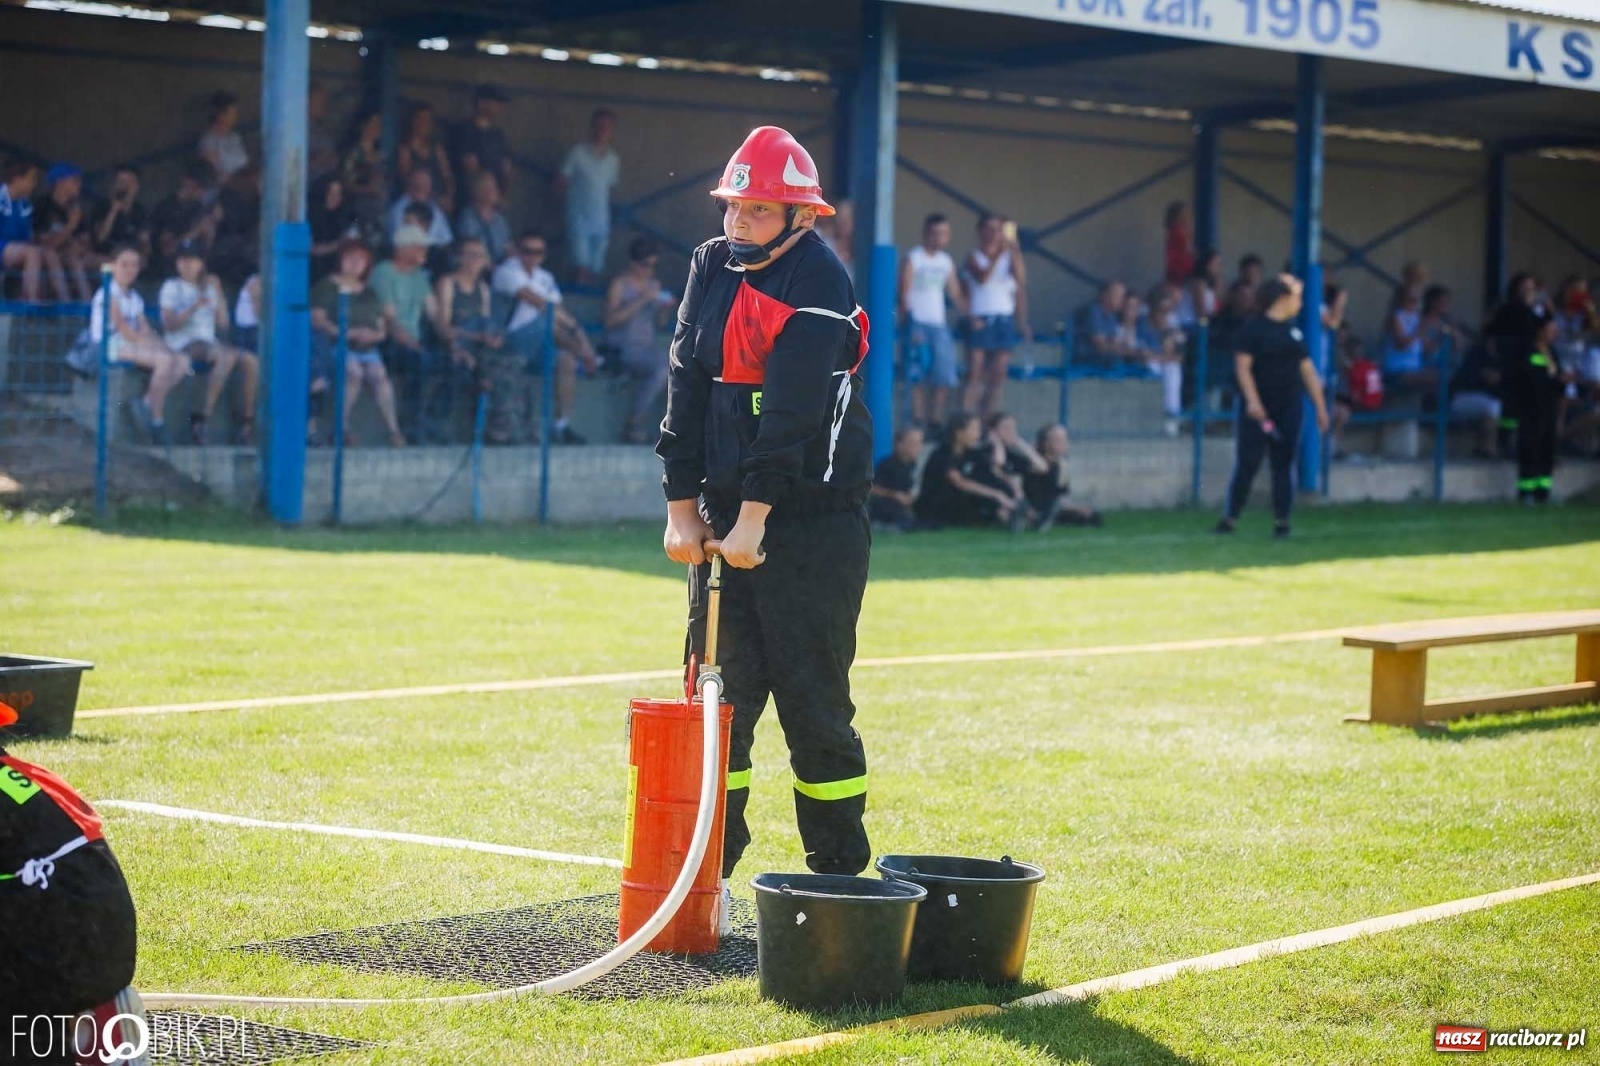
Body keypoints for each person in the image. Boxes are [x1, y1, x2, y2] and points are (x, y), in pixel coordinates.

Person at [658, 126, 873, 917]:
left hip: (812, 524)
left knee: (813, 705)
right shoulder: (710, 265)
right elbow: (685, 381)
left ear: (802, 218)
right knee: (717, 704)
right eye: (734, 206)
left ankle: (841, 884)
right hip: (723, 522)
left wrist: (754, 521)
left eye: (758, 210)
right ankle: (702, 878)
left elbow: (790, 416)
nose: (739, 222)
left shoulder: (821, 281)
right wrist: (685, 509)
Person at [0, 698, 145, 1055]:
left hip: (55, 962)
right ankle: (96, 1027)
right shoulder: (19, 777)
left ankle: (91, 1036)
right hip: (101, 945)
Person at [1215, 274, 1330, 538]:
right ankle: (1230, 518)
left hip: (1288, 407)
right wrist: (1253, 402)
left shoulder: (1293, 332)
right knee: (1248, 463)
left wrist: (1320, 407)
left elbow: (1308, 371)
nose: (1300, 303)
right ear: (1282, 298)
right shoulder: (1252, 329)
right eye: (1297, 297)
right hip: (1258, 410)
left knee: (1284, 463)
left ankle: (1282, 522)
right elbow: (1243, 368)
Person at [494, 231, 597, 444]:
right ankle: (587, 355)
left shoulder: (545, 277)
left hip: (540, 343)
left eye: (538, 252)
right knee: (546, 322)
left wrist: (578, 336)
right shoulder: (507, 271)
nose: (532, 256)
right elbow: (540, 304)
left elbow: (559, 310)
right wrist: (578, 333)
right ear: (519, 252)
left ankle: (561, 425)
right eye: (527, 251)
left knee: (566, 359)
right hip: (510, 341)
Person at [159, 241, 259, 444]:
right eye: (183, 260)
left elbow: (223, 323)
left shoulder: (208, 287)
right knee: (224, 356)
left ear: (201, 263)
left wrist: (219, 291)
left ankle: (247, 423)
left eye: (192, 260)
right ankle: (201, 418)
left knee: (250, 361)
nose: (187, 264)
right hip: (182, 342)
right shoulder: (172, 286)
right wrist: (193, 307)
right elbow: (169, 324)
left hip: (208, 342)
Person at [91, 245, 192, 443]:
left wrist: (162, 346)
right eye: (124, 264)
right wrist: (155, 348)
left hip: (132, 341)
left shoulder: (135, 297)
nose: (130, 270)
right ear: (113, 266)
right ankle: (156, 419)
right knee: (164, 361)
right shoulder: (107, 293)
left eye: (135, 265)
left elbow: (144, 328)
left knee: (182, 361)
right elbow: (123, 330)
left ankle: (147, 401)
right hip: (110, 344)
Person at [310, 239, 405, 447]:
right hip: (335, 345)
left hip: (367, 348)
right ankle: (340, 428)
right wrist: (345, 332)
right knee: (353, 373)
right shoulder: (326, 286)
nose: (355, 263)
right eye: (350, 258)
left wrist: (372, 335)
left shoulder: (369, 292)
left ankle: (393, 430)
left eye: (361, 260)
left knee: (379, 377)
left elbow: (381, 329)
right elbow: (317, 320)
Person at [370, 225, 443, 443]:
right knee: (418, 362)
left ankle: (432, 420)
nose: (424, 252)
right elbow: (390, 319)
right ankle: (411, 424)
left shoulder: (419, 276)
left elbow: (434, 313)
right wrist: (412, 343)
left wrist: (453, 342)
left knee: (456, 364)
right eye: (419, 247)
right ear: (402, 249)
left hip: (414, 342)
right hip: (387, 341)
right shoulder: (383, 272)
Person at [899, 213, 966, 430]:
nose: (939, 238)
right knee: (917, 372)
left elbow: (955, 293)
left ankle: (935, 420)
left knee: (943, 373)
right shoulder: (913, 258)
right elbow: (904, 292)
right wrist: (908, 320)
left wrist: (970, 316)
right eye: (936, 233)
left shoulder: (946, 261)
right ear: (926, 233)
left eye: (944, 234)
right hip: (917, 322)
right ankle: (918, 418)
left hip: (939, 323)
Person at [432, 237, 502, 441]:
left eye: (479, 256)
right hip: (452, 343)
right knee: (462, 367)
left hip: (478, 346)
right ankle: (437, 424)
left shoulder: (483, 288)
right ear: (460, 257)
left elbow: (486, 322)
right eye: (469, 254)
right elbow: (444, 325)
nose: (474, 260)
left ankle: (496, 430)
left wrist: (490, 339)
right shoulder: (447, 283)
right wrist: (466, 342)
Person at [605, 237, 674, 443]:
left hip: (647, 347)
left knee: (680, 368)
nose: (649, 270)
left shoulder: (654, 284)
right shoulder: (620, 284)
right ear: (634, 263)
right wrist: (642, 299)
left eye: (654, 265)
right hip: (621, 347)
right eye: (645, 265)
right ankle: (634, 423)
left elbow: (660, 324)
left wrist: (664, 309)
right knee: (663, 368)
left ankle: (672, 429)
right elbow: (610, 320)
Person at [962, 214, 1030, 417]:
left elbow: (1020, 284)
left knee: (998, 374)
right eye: (990, 229)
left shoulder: (1008, 258)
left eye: (998, 230)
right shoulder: (973, 256)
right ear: (980, 231)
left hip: (1004, 319)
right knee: (976, 372)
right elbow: (982, 278)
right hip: (981, 319)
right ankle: (967, 417)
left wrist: (1015, 253)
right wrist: (999, 253)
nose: (994, 235)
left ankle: (988, 418)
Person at [914, 412, 1018, 528]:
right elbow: (959, 483)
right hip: (939, 506)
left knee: (993, 482)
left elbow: (994, 469)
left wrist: (1012, 488)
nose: (978, 435)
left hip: (962, 504)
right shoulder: (942, 454)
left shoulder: (973, 453)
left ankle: (1017, 514)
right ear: (959, 433)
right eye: (974, 429)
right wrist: (996, 495)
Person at [1506, 315, 1567, 502]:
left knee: (1547, 449)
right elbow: (1529, 378)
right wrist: (1554, 380)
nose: (1553, 334)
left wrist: (1562, 382)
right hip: (1530, 408)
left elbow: (1557, 377)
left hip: (1549, 408)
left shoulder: (1552, 352)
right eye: (1550, 330)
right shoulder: (1528, 350)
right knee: (1530, 448)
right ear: (1540, 331)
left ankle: (1543, 492)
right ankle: (1525, 492)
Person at [558, 108, 621, 285]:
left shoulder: (613, 159)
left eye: (607, 127)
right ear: (592, 127)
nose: (602, 130)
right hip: (578, 217)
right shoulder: (577, 153)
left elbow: (609, 189)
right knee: (580, 265)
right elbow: (560, 182)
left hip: (601, 219)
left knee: (596, 267)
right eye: (599, 126)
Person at [1, 159, 67, 302]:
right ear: (17, 179)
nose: (34, 184)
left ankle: (65, 304)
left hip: (19, 247)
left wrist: (42, 240)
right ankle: (31, 304)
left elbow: (28, 236)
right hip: (3, 247)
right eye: (31, 179)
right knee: (32, 253)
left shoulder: (25, 203)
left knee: (49, 253)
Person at [149, 161, 221, 282]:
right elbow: (167, 249)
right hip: (168, 272)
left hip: (196, 270)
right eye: (198, 187)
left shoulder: (200, 208)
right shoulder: (166, 207)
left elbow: (206, 250)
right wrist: (196, 231)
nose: (201, 193)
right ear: (186, 181)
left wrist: (211, 229)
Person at [1025, 424, 1101, 529]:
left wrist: (1077, 508)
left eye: (1065, 439)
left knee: (1091, 516)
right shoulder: (1035, 464)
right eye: (1059, 440)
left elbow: (1061, 495)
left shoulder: (1061, 465)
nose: (1064, 443)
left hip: (1055, 507)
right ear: (1046, 443)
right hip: (1035, 506)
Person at [396, 102, 456, 216]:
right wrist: (432, 199)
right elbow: (405, 179)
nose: (424, 123)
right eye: (421, 119)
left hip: (440, 203)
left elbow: (448, 176)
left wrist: (449, 197)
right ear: (413, 121)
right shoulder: (405, 149)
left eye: (428, 120)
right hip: (417, 203)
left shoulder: (437, 148)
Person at [454, 85, 513, 200]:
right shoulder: (465, 131)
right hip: (470, 200)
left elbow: (507, 167)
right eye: (496, 102)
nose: (500, 107)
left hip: (493, 204)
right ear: (481, 103)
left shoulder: (498, 135)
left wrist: (501, 195)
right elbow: (469, 165)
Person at [340, 112, 389, 245]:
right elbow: (346, 183)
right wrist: (368, 190)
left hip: (376, 212)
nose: (377, 128)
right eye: (373, 124)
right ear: (362, 126)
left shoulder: (380, 154)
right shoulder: (353, 153)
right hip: (356, 210)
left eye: (379, 125)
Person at [90, 164, 150, 262]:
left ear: (136, 186)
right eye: (121, 182)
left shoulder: (140, 211)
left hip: (131, 259)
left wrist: (143, 255)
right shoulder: (102, 207)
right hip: (106, 257)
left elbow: (144, 241)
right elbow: (100, 238)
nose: (125, 186)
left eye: (130, 182)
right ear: (114, 185)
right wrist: (113, 211)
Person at [868, 425, 922, 531]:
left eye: (920, 443)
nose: (918, 447)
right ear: (900, 445)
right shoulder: (887, 465)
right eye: (913, 443)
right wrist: (895, 495)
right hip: (888, 503)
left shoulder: (914, 465)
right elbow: (871, 488)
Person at [455, 171, 512, 265]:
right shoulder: (468, 217)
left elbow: (506, 245)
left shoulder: (500, 220)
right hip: (475, 265)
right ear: (481, 191)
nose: (497, 192)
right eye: (492, 189)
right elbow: (470, 245)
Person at [309, 174, 358, 282]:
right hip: (313, 273)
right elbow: (310, 249)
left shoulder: (344, 216)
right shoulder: (308, 216)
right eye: (330, 193)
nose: (335, 198)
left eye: (338, 194)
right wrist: (337, 244)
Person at [388, 169, 452, 249]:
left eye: (426, 183)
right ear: (410, 184)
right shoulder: (398, 210)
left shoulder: (435, 209)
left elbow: (446, 239)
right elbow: (398, 241)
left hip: (434, 255)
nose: (422, 186)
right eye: (419, 183)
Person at [198, 91, 249, 185]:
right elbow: (215, 177)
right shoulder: (209, 142)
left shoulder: (235, 137)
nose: (236, 116)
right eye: (232, 112)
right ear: (221, 115)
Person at [1163, 200, 1194, 287]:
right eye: (1187, 213)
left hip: (1178, 272)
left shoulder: (1173, 231)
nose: (1190, 217)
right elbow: (1189, 251)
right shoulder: (1178, 232)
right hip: (1181, 273)